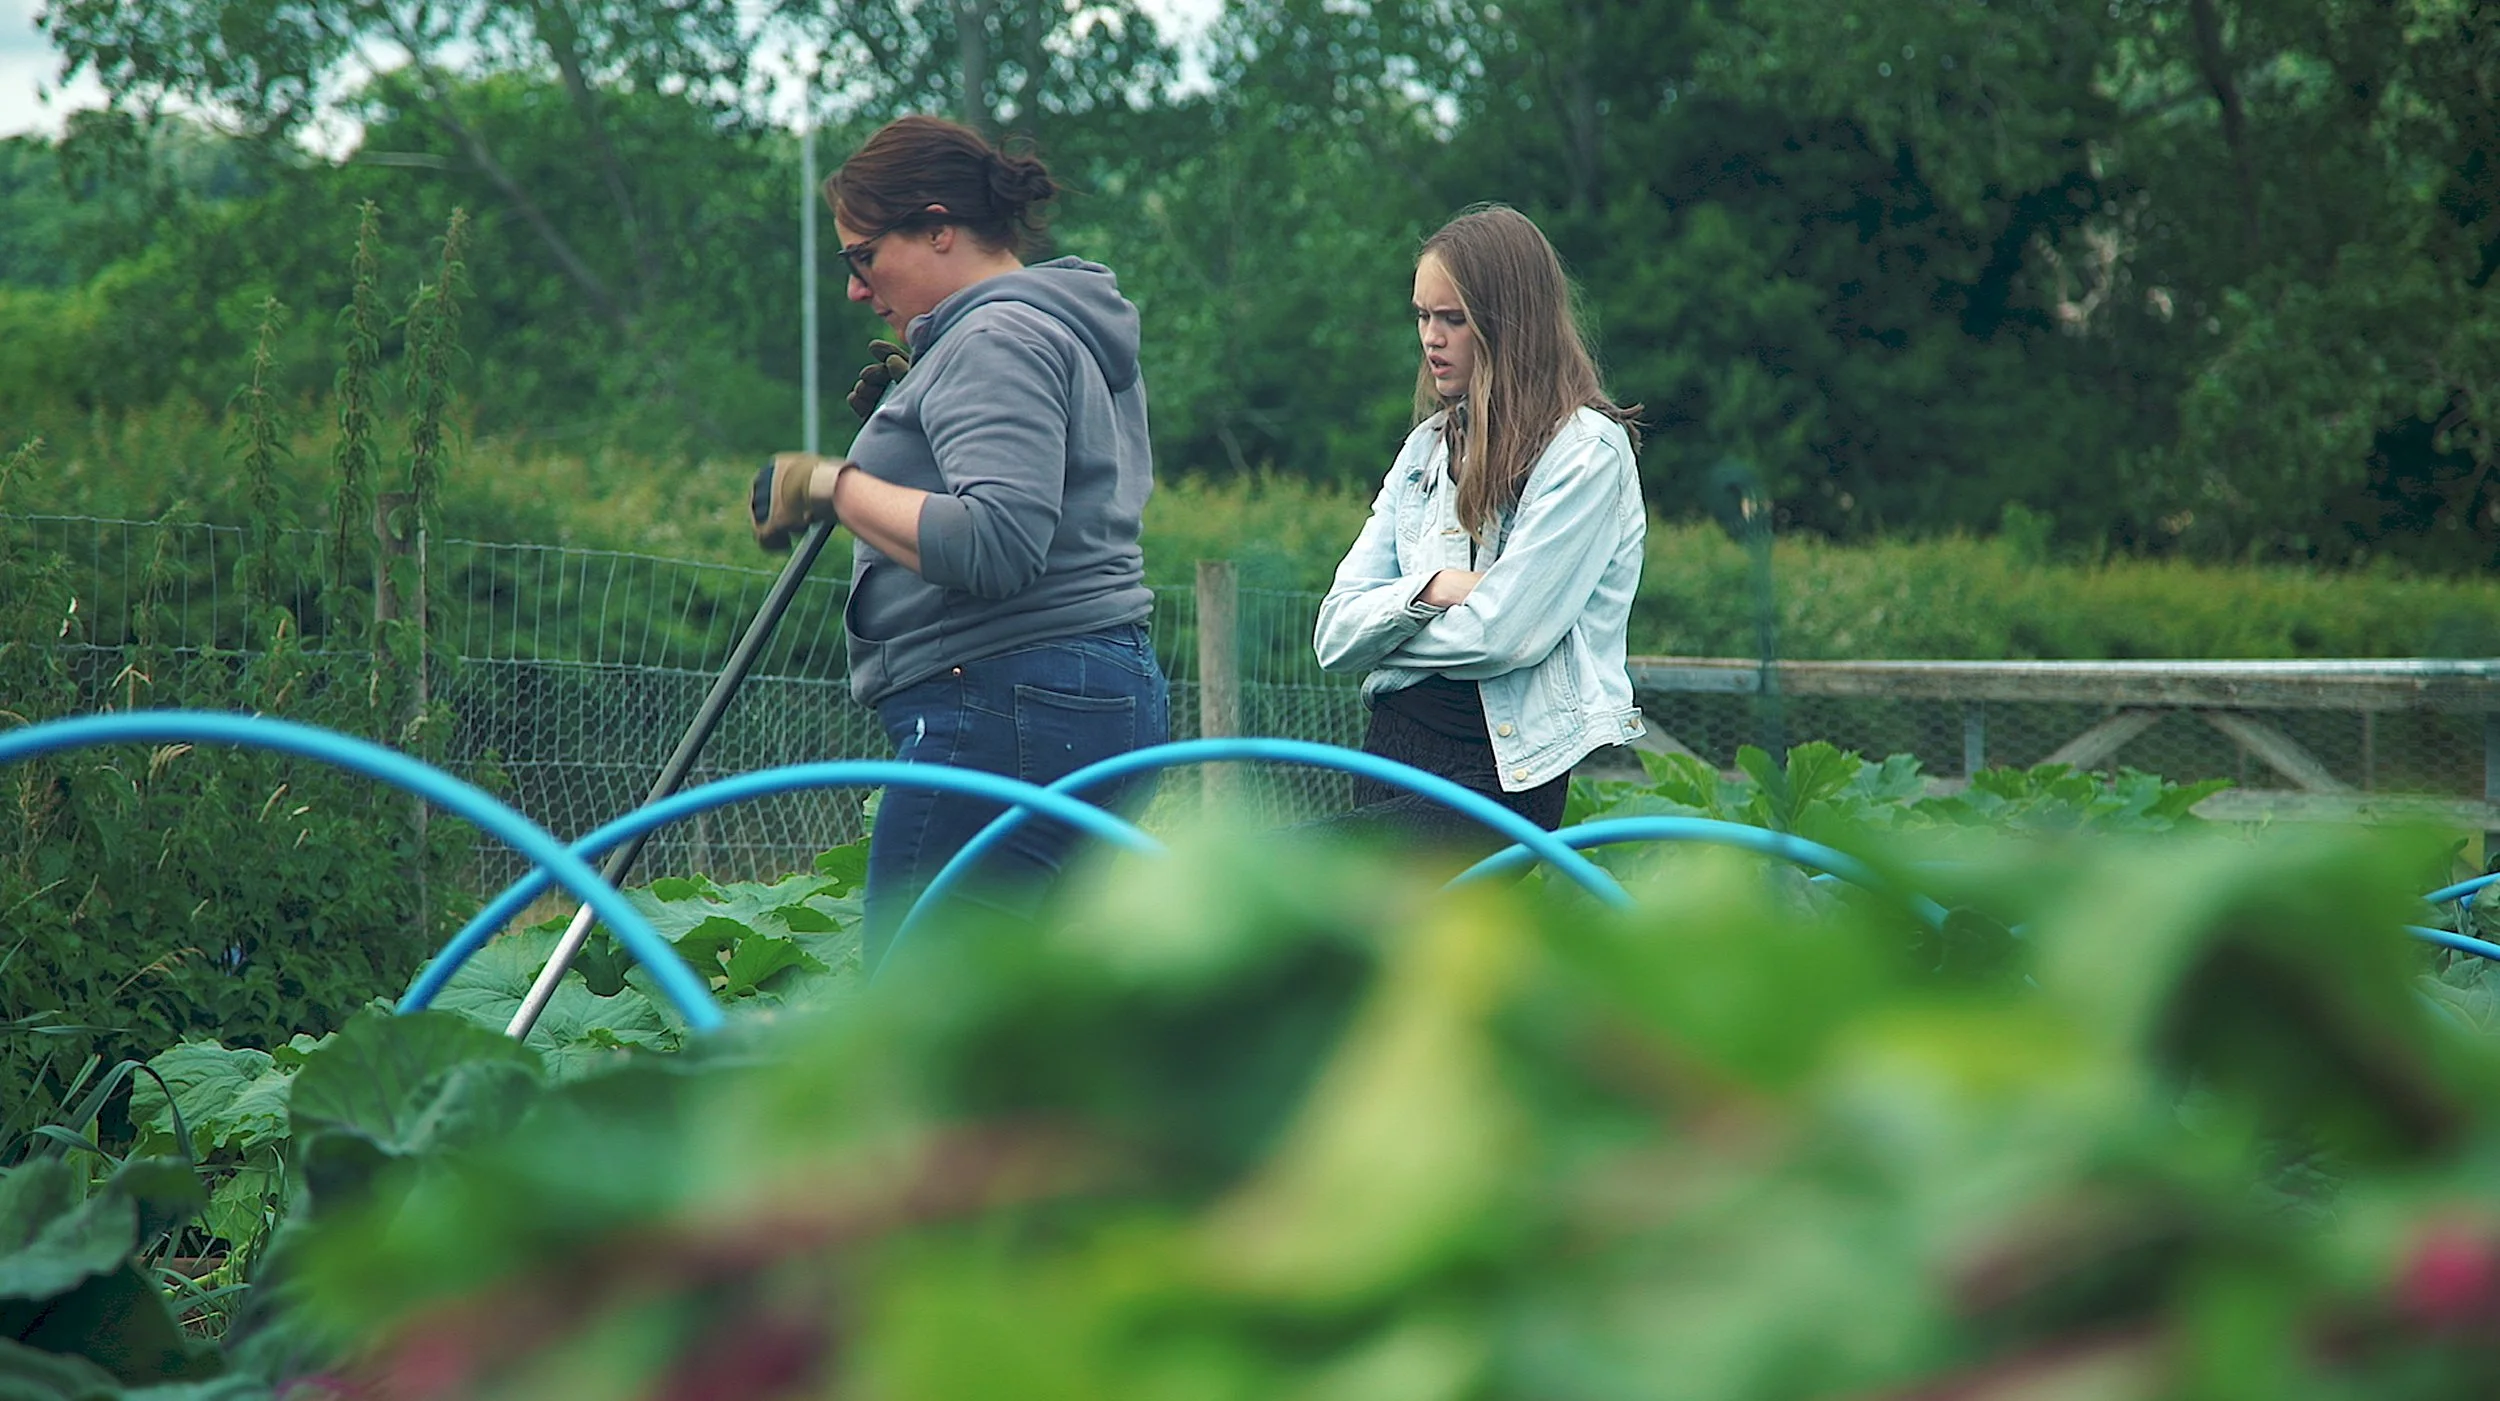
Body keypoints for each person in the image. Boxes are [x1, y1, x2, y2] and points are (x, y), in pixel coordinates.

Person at [751, 115, 1166, 969]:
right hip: (1081, 697)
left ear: (939, 227)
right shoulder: (1047, 326)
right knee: (1012, 1027)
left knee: (917, 1018)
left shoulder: (995, 337)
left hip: (1004, 701)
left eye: (862, 256)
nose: (858, 290)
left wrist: (832, 484)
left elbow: (999, 542)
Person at [1312, 204, 1646, 853]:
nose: (1431, 338)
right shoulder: (1425, 451)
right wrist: (1432, 588)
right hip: (1392, 754)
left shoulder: (1586, 454)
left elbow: (1502, 635)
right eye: (1422, 316)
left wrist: (1383, 636)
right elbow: (1332, 632)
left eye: (1452, 319)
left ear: (1507, 325)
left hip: (1499, 774)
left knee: (1289, 880)